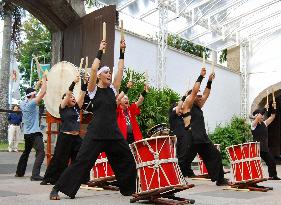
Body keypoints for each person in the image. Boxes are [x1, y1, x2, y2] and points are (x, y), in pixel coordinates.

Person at [49, 40, 136, 200]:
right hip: (95, 133)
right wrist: (100, 50)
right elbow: (94, 68)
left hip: (113, 133)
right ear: (99, 76)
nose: (109, 74)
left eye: (110, 72)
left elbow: (121, 70)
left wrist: (122, 51)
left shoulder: (113, 89)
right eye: (106, 72)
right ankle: (57, 188)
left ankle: (129, 189)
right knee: (82, 162)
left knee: (127, 158)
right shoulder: (93, 90)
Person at [40, 76, 87, 185]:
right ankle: (50, 178)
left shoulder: (76, 108)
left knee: (80, 158)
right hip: (65, 137)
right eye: (70, 97)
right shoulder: (63, 108)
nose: (73, 98)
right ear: (65, 100)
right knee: (59, 160)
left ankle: (79, 179)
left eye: (74, 97)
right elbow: (68, 93)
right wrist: (73, 83)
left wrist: (85, 82)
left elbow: (83, 94)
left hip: (76, 138)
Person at [185, 72, 229, 186]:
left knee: (216, 155)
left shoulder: (199, 106)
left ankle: (220, 179)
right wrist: (201, 76)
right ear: (192, 97)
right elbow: (195, 91)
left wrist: (209, 81)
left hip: (202, 139)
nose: (200, 97)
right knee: (183, 161)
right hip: (192, 139)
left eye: (200, 96)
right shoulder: (188, 105)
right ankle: (174, 179)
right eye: (197, 96)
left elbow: (206, 94)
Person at [169, 68, 206, 179]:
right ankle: (179, 173)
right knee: (182, 154)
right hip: (178, 136)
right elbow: (179, 107)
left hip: (187, 135)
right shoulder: (174, 113)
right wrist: (184, 96)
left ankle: (187, 170)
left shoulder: (186, 112)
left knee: (190, 153)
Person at [15, 74, 47, 181]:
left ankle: (19, 172)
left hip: (27, 134)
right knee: (41, 152)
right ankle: (35, 175)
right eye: (34, 94)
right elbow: (42, 93)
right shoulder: (32, 104)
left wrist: (37, 85)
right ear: (33, 96)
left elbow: (34, 93)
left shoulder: (23, 103)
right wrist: (44, 80)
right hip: (34, 133)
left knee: (26, 152)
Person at [251, 102, 280, 180]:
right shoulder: (253, 124)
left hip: (263, 147)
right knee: (254, 163)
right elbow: (257, 118)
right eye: (260, 114)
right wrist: (264, 108)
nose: (262, 115)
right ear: (256, 116)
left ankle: (272, 176)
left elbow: (272, 117)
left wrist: (274, 108)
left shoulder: (264, 123)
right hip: (256, 148)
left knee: (271, 161)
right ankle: (253, 176)